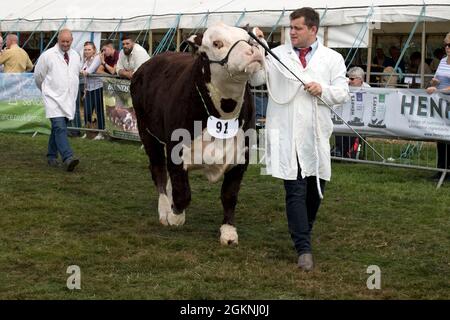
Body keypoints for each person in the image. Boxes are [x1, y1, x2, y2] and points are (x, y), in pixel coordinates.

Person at [251, 7, 349, 271]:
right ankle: (303, 248)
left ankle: (303, 228)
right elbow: (258, 78)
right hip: (285, 132)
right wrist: (258, 51)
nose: (291, 32)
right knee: (294, 189)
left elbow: (342, 92)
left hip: (315, 134)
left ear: (313, 30)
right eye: (290, 28)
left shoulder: (333, 59)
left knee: (315, 190)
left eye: (297, 28)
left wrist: (322, 89)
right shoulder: (277, 54)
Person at [34, 29, 82, 172]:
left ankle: (51, 155)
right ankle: (68, 157)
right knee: (60, 127)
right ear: (58, 40)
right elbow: (38, 76)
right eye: (63, 41)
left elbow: (74, 74)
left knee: (57, 129)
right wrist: (46, 90)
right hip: (52, 97)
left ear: (72, 40)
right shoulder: (47, 55)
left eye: (68, 41)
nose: (65, 44)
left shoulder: (75, 55)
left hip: (68, 98)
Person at [426, 32, 450, 181]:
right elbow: (436, 80)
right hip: (440, 105)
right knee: (440, 138)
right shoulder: (442, 61)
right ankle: (441, 170)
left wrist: (438, 90)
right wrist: (432, 84)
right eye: (446, 45)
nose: (447, 48)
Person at [334, 67, 369, 159]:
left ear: (360, 80)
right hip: (345, 117)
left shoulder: (368, 89)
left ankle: (351, 151)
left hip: (361, 119)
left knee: (353, 132)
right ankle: (340, 151)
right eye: (348, 78)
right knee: (339, 128)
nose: (349, 81)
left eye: (352, 79)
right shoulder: (345, 87)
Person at [81, 41, 105, 140]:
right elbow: (81, 70)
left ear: (94, 50)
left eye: (89, 49)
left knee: (99, 112)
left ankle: (101, 133)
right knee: (87, 111)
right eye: (85, 49)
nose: (87, 51)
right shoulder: (86, 60)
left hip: (98, 88)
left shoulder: (97, 58)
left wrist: (84, 71)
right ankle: (88, 132)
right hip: (89, 89)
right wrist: (83, 71)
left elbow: (88, 71)